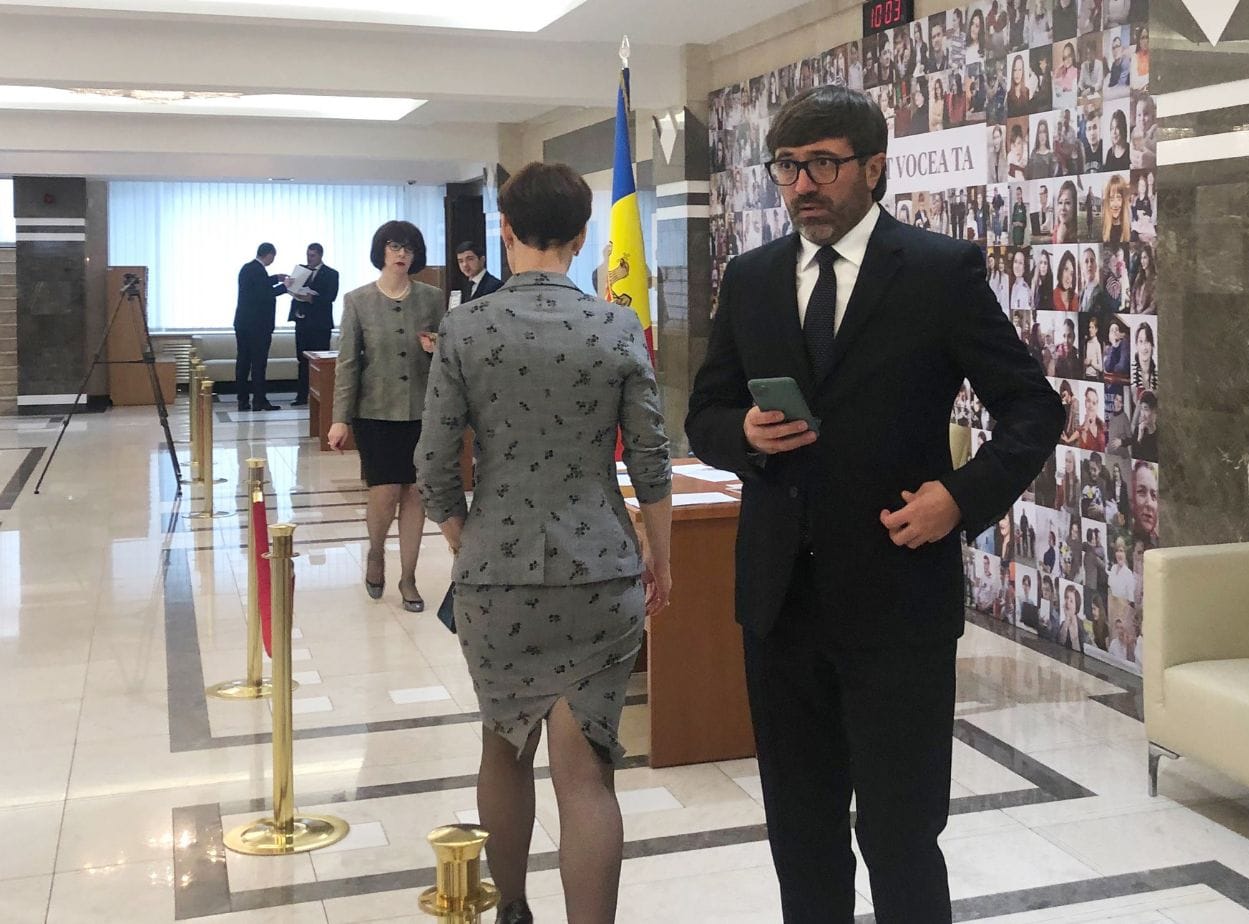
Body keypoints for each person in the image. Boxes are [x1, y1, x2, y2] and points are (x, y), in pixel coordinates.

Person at [685, 85, 1062, 924]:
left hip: (898, 599)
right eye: (788, 166)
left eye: (823, 164)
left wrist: (958, 498)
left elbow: (1034, 410)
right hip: (780, 602)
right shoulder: (750, 279)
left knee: (900, 835)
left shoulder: (937, 272)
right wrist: (741, 431)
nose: (802, 185)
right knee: (801, 833)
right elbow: (704, 412)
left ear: (874, 167)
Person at [417, 162, 673, 924]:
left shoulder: (465, 327)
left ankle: (513, 909)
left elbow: (434, 464)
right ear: (584, 235)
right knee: (586, 773)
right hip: (600, 570)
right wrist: (659, 557)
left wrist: (465, 540)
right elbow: (651, 458)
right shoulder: (616, 325)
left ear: (504, 229)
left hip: (495, 574)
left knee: (502, 747)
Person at [328, 221, 443, 611]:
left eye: (409, 248)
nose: (401, 254)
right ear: (381, 251)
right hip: (374, 411)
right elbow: (347, 364)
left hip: (421, 410)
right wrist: (339, 418)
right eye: (394, 246)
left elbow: (447, 355)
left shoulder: (432, 298)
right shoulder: (358, 301)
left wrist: (437, 348)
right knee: (385, 491)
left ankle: (408, 577)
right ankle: (376, 551)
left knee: (415, 492)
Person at [233, 242, 288, 412]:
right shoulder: (258, 270)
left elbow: (259, 285)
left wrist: (276, 278)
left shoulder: (248, 268)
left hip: (243, 323)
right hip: (258, 326)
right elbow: (264, 294)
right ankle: (259, 400)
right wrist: (285, 287)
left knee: (243, 362)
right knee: (258, 364)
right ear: (269, 255)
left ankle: (243, 400)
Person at [289, 242, 339, 407]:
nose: (309, 259)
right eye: (307, 255)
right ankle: (301, 396)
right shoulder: (301, 271)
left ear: (320, 255)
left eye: (312, 256)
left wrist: (312, 298)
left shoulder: (331, 274)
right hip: (302, 323)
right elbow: (294, 290)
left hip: (320, 325)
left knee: (319, 361)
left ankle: (321, 395)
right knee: (302, 360)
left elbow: (330, 296)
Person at [1101, 173, 1133, 242]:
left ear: (1124, 200)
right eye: (1112, 199)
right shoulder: (1103, 231)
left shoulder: (1131, 233)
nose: (1115, 204)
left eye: (1119, 198)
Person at [1131, 390, 1158, 463]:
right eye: (1141, 409)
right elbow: (1134, 458)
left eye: (1146, 409)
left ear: (1154, 411)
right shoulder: (1138, 430)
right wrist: (1139, 438)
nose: (1142, 414)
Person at [1131, 320, 1157, 392]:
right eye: (1141, 341)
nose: (1144, 347)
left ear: (1152, 345)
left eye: (1147, 341)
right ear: (1136, 345)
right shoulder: (1131, 375)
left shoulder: (1159, 376)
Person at [1052, 180, 1080, 245]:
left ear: (1074, 206)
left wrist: (1060, 241)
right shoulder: (1056, 229)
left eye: (1067, 203)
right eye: (1060, 202)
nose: (1063, 208)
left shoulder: (1078, 234)